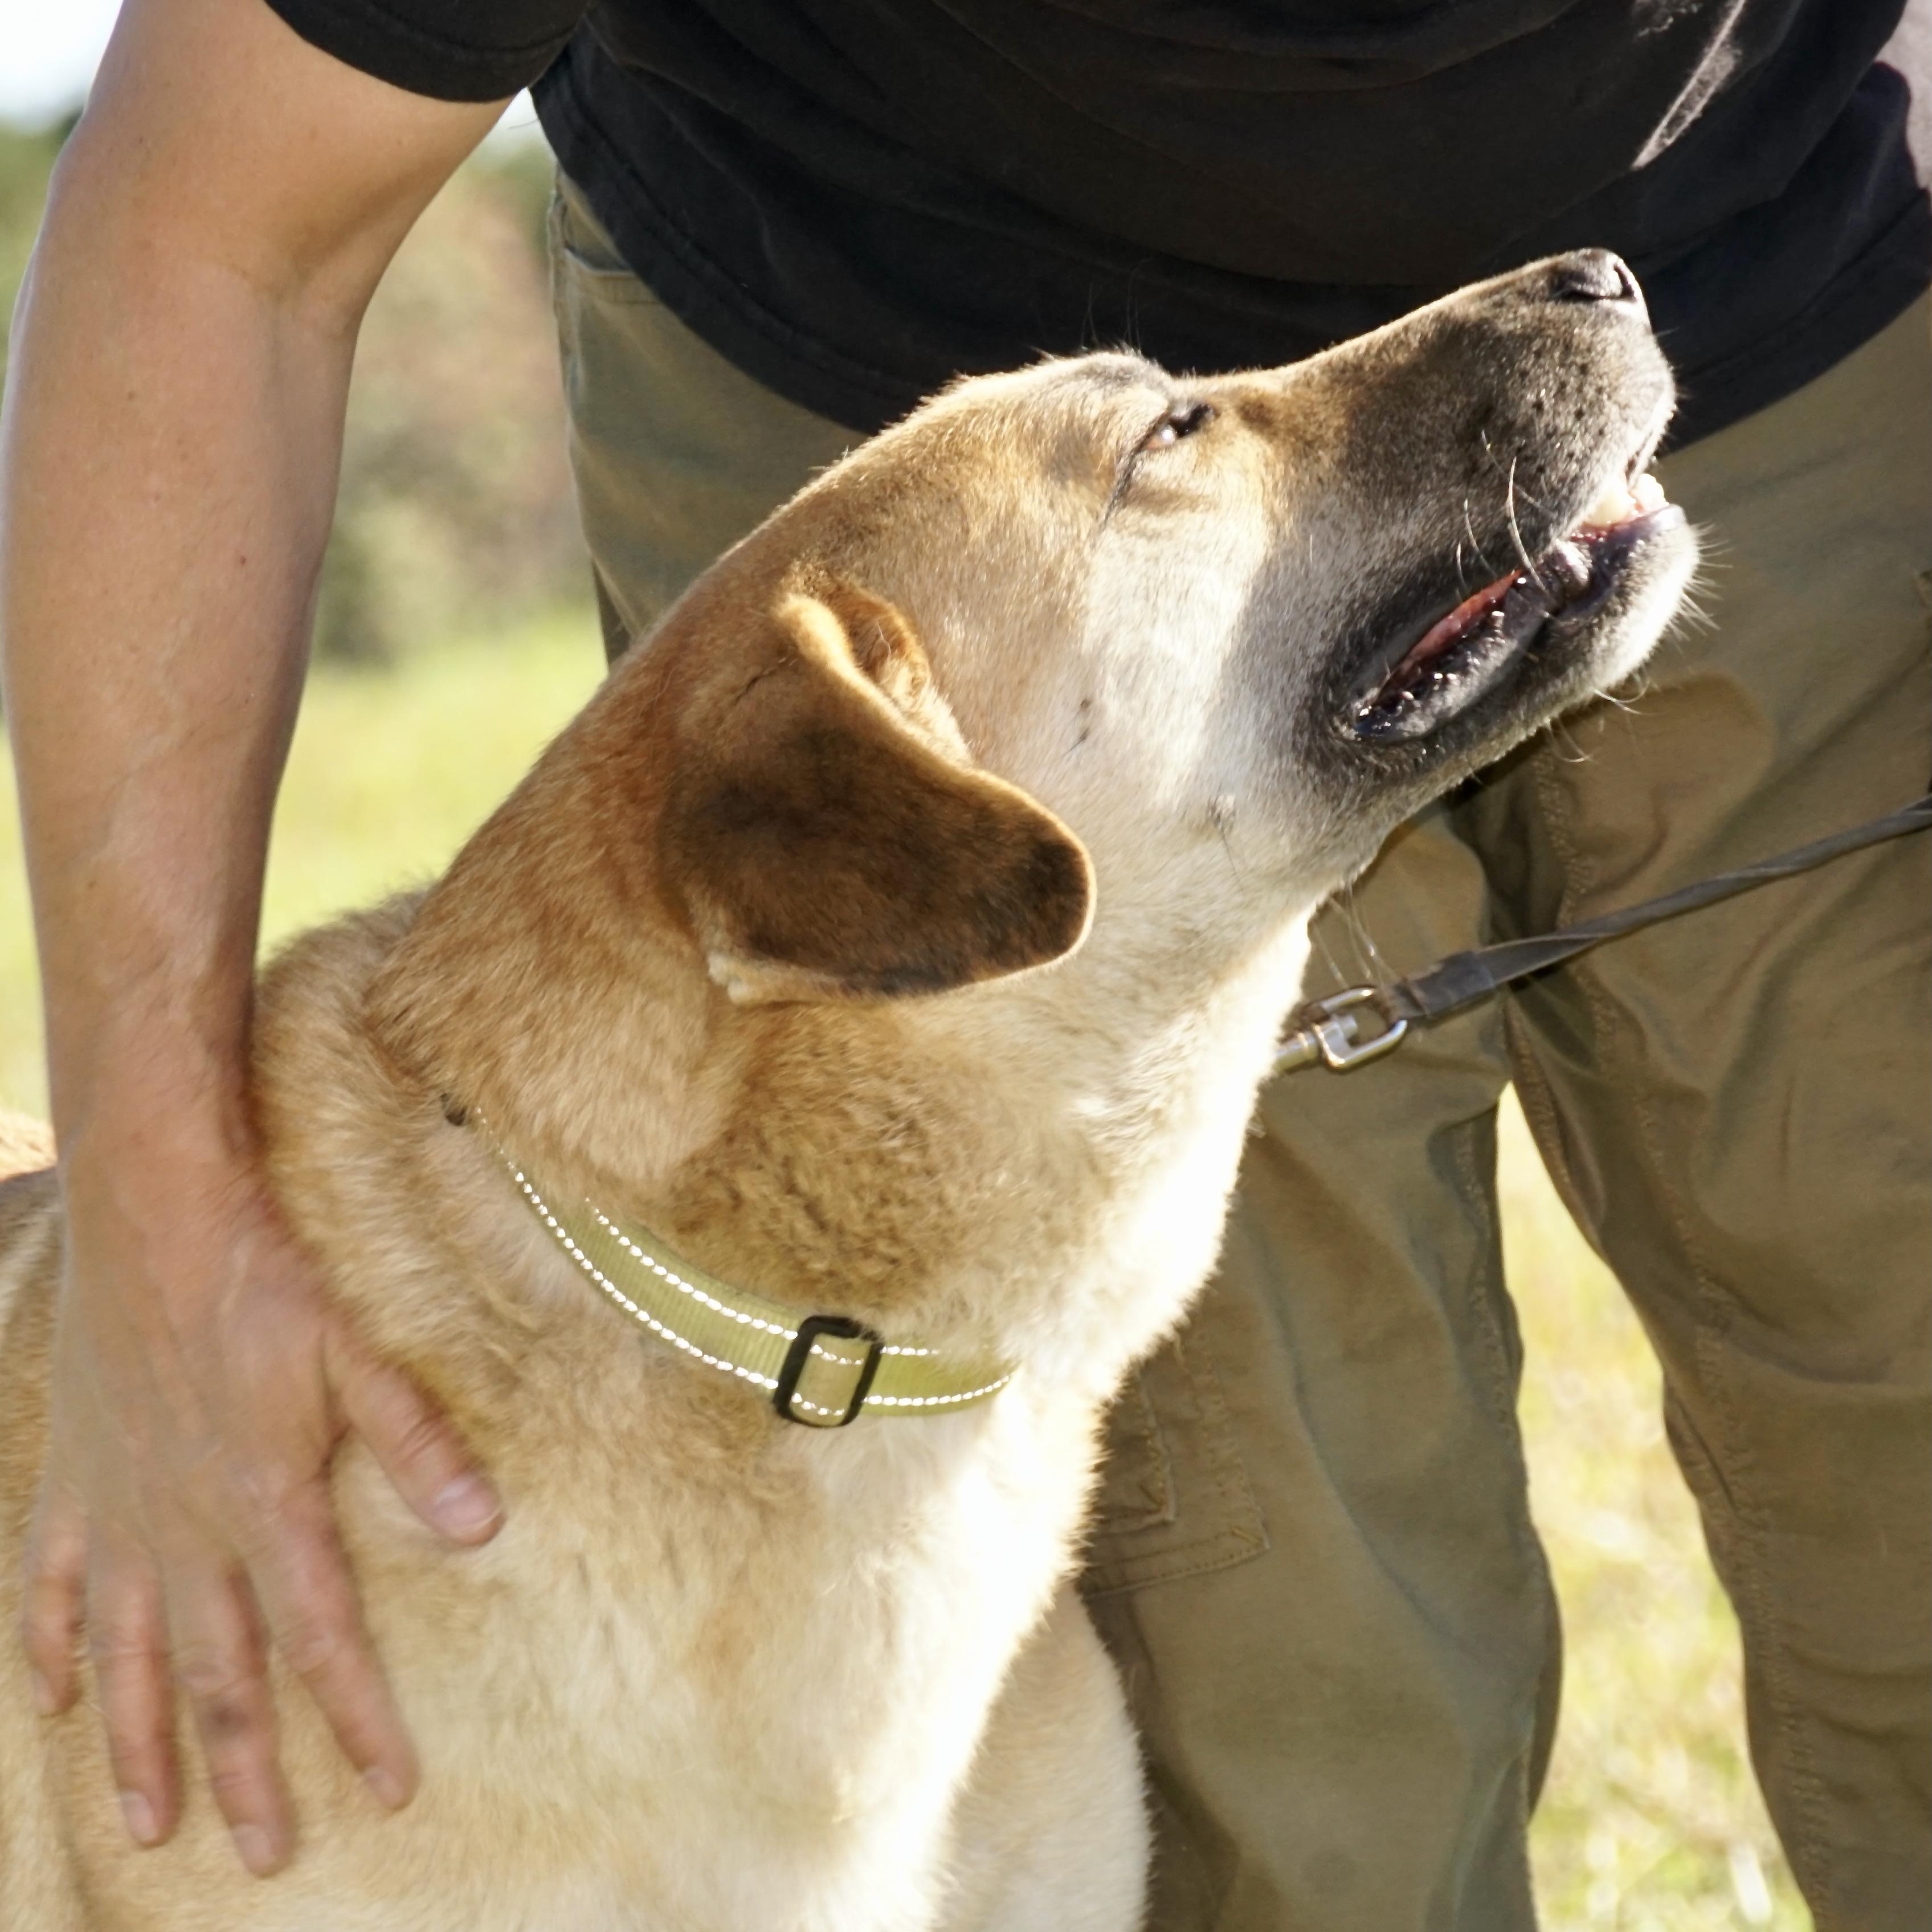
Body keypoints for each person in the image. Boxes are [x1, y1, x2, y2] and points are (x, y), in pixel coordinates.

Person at [1, 0, 1925, 1922]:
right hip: (856, 271)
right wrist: (150, 1232)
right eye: (1180, 436)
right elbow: (214, 235)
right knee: (1312, 1723)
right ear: (897, 825)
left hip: (1790, 244)